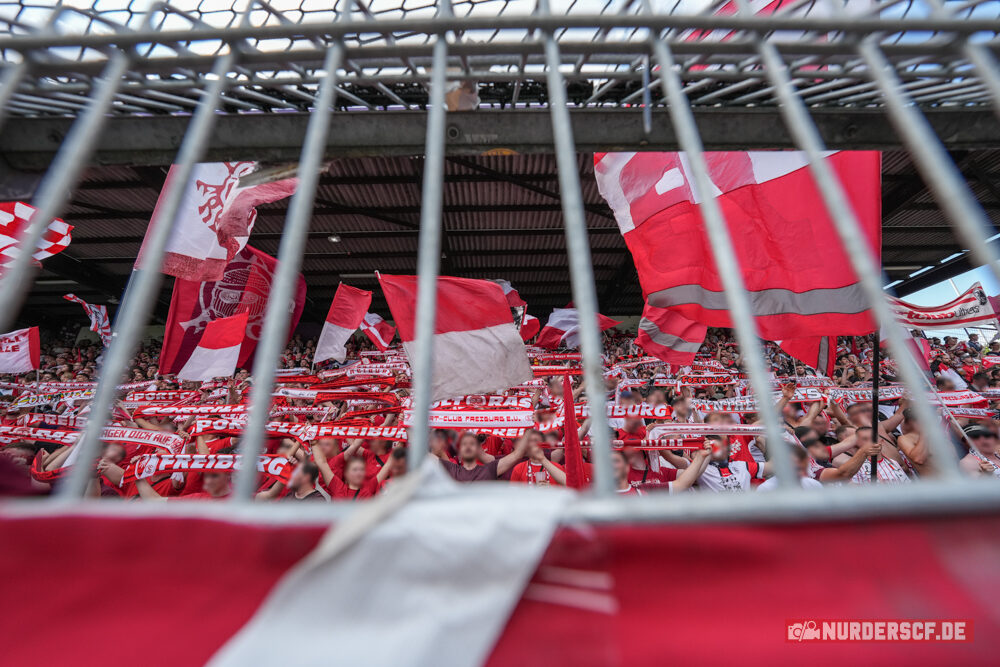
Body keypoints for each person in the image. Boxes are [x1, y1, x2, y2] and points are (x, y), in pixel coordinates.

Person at [440, 431, 528, 482]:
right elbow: (432, 454)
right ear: (459, 449)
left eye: (472, 444)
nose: (468, 446)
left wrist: (530, 425)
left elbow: (517, 454)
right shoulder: (452, 469)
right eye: (464, 444)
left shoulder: (489, 469)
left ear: (479, 449)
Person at [757, 446, 823, 491]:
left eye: (804, 469)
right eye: (797, 469)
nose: (802, 473)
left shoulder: (813, 485)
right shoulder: (766, 489)